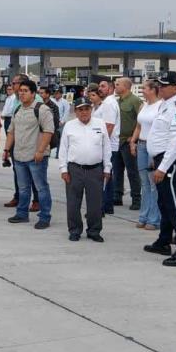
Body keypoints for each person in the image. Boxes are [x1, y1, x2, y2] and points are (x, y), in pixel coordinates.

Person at [142, 71, 176, 267]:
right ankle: (164, 241)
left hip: (170, 162)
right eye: (159, 85)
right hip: (161, 159)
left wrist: (162, 168)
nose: (159, 88)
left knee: (174, 207)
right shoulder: (165, 104)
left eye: (164, 85)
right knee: (164, 204)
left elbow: (175, 142)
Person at [3, 80, 55, 229]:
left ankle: (44, 217)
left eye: (25, 90)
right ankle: (22, 213)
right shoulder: (18, 109)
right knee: (23, 188)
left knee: (41, 188)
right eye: (20, 91)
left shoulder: (42, 109)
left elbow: (48, 131)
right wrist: (6, 150)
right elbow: (11, 131)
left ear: (33, 93)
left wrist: (40, 151)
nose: (21, 93)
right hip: (19, 156)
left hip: (36, 157)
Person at [60, 97, 111, 242]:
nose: (84, 112)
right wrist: (63, 169)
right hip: (74, 169)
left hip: (96, 170)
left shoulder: (100, 124)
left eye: (87, 109)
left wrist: (107, 168)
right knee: (73, 203)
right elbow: (63, 149)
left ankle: (94, 231)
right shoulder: (69, 126)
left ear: (91, 109)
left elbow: (106, 147)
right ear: (75, 111)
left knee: (95, 203)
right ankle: (75, 230)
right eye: (80, 109)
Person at [129, 80, 162, 230]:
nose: (142, 91)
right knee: (145, 183)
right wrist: (133, 141)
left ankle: (154, 219)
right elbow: (139, 126)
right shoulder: (144, 105)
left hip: (153, 146)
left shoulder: (161, 106)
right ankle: (144, 215)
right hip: (141, 144)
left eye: (145, 88)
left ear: (153, 90)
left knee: (153, 184)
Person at [112, 77, 142, 211]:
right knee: (117, 171)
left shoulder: (135, 101)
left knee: (132, 172)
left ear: (126, 86)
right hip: (117, 141)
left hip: (128, 141)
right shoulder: (117, 101)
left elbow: (140, 121)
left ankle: (136, 199)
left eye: (118, 84)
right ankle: (117, 196)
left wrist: (134, 139)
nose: (115, 86)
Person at [97, 80, 121, 214]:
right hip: (109, 145)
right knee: (107, 176)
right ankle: (107, 205)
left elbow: (109, 126)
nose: (100, 88)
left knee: (104, 175)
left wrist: (101, 145)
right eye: (99, 86)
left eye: (103, 86)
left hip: (108, 146)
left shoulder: (109, 103)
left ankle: (104, 205)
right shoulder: (107, 102)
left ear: (111, 89)